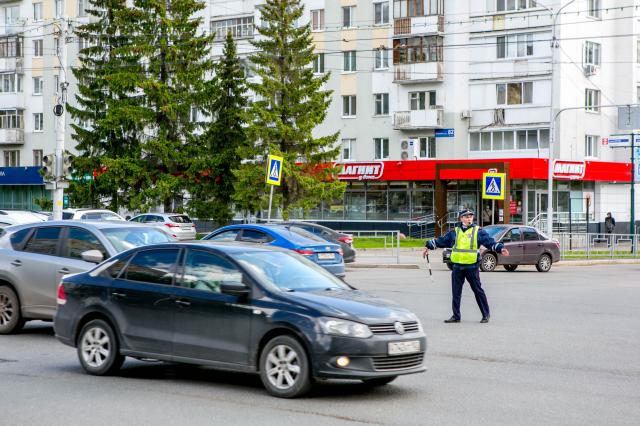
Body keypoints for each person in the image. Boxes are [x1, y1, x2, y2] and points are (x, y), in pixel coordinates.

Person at [423, 209, 509, 324]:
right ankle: (456, 316)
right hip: (457, 266)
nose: (469, 218)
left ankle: (485, 315)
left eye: (470, 216)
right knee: (456, 292)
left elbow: (489, 242)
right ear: (461, 218)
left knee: (478, 290)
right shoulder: (455, 231)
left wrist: (500, 248)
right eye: (466, 216)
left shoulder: (478, 231)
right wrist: (428, 245)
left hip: (472, 266)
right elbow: (442, 241)